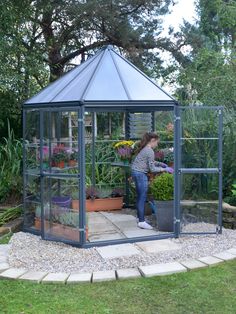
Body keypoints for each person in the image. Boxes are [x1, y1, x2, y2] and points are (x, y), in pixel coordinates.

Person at [131, 132, 173, 230]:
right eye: (157, 142)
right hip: (140, 174)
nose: (157, 145)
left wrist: (161, 164)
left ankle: (140, 218)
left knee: (140, 197)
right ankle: (141, 222)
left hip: (136, 172)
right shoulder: (149, 150)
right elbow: (152, 169)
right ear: (152, 140)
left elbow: (151, 162)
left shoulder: (145, 149)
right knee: (142, 197)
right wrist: (165, 169)